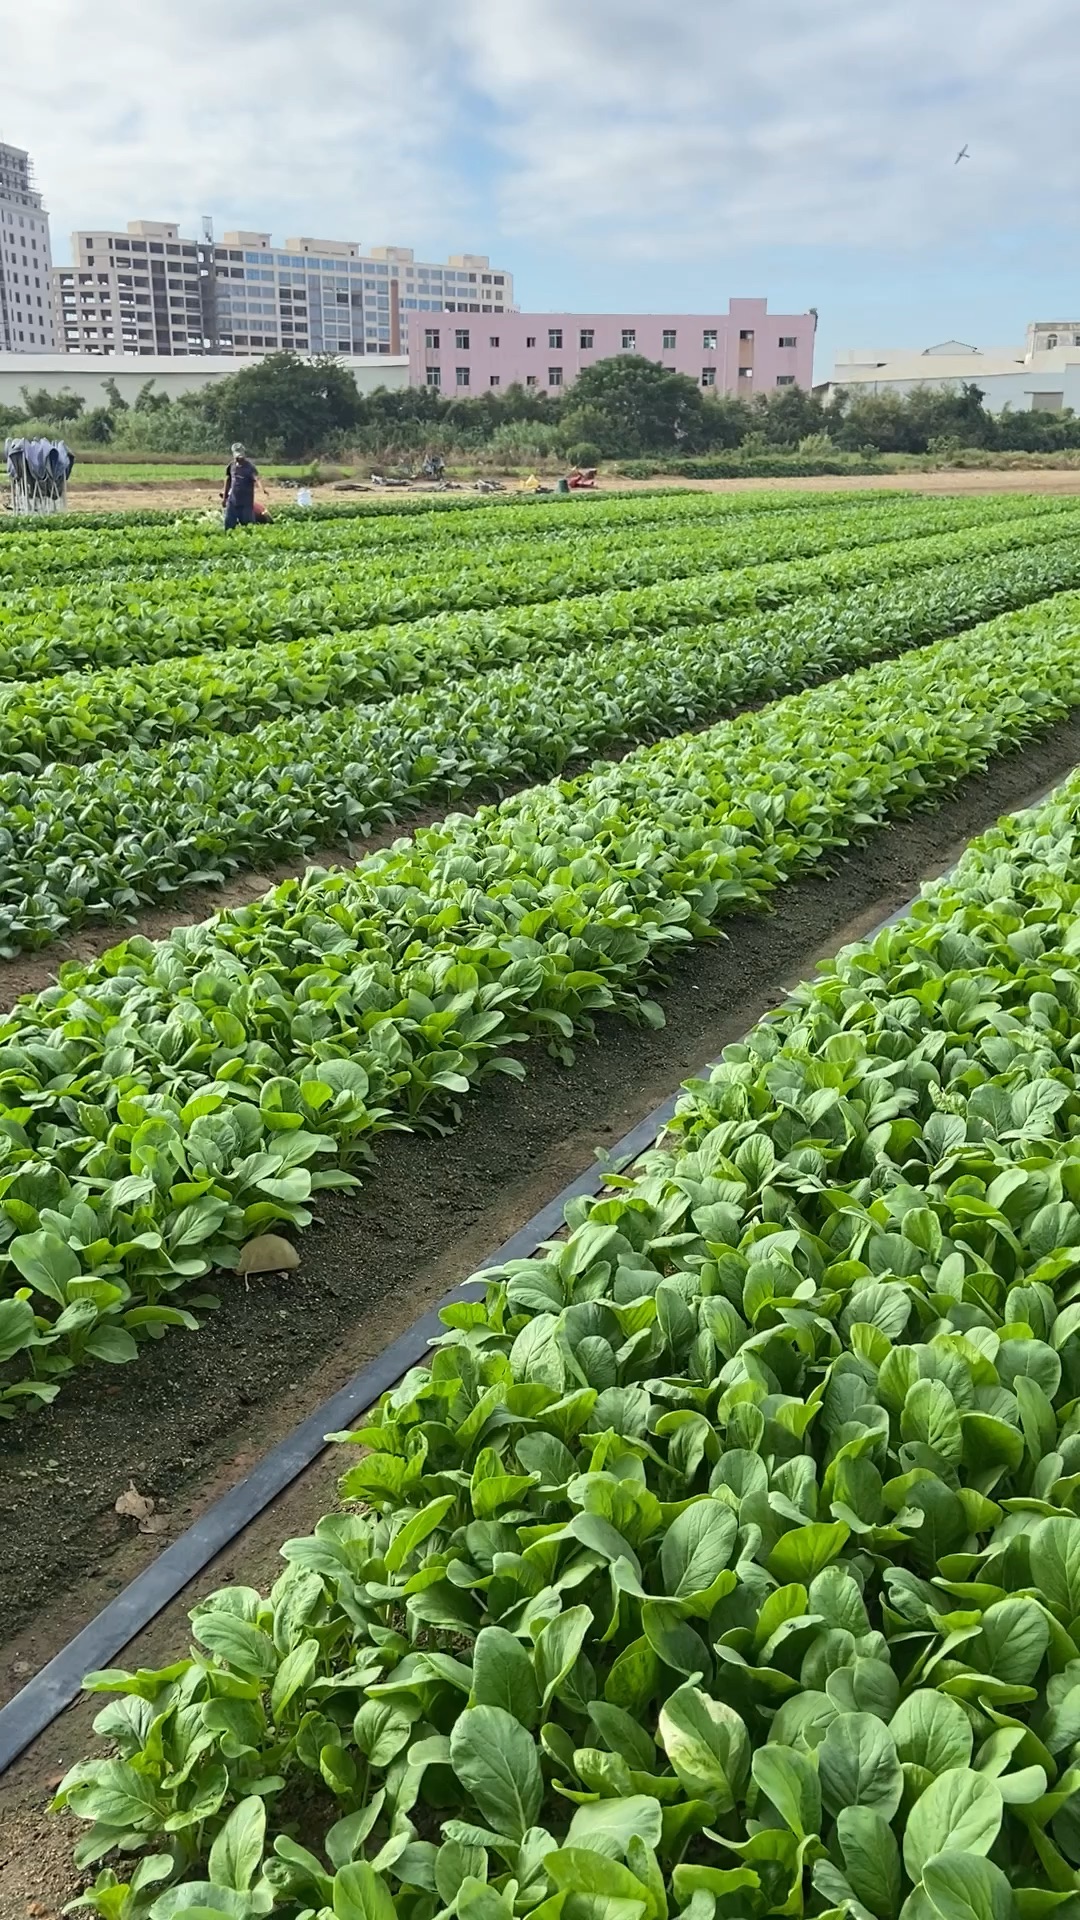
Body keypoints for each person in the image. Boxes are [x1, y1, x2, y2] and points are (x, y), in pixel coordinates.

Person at [222, 443, 265, 528]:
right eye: (237, 457)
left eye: (241, 457)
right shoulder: (231, 466)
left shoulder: (250, 467)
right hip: (232, 501)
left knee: (248, 526)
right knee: (229, 526)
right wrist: (224, 498)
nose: (239, 459)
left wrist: (262, 489)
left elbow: (256, 478)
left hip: (246, 503)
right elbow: (228, 480)